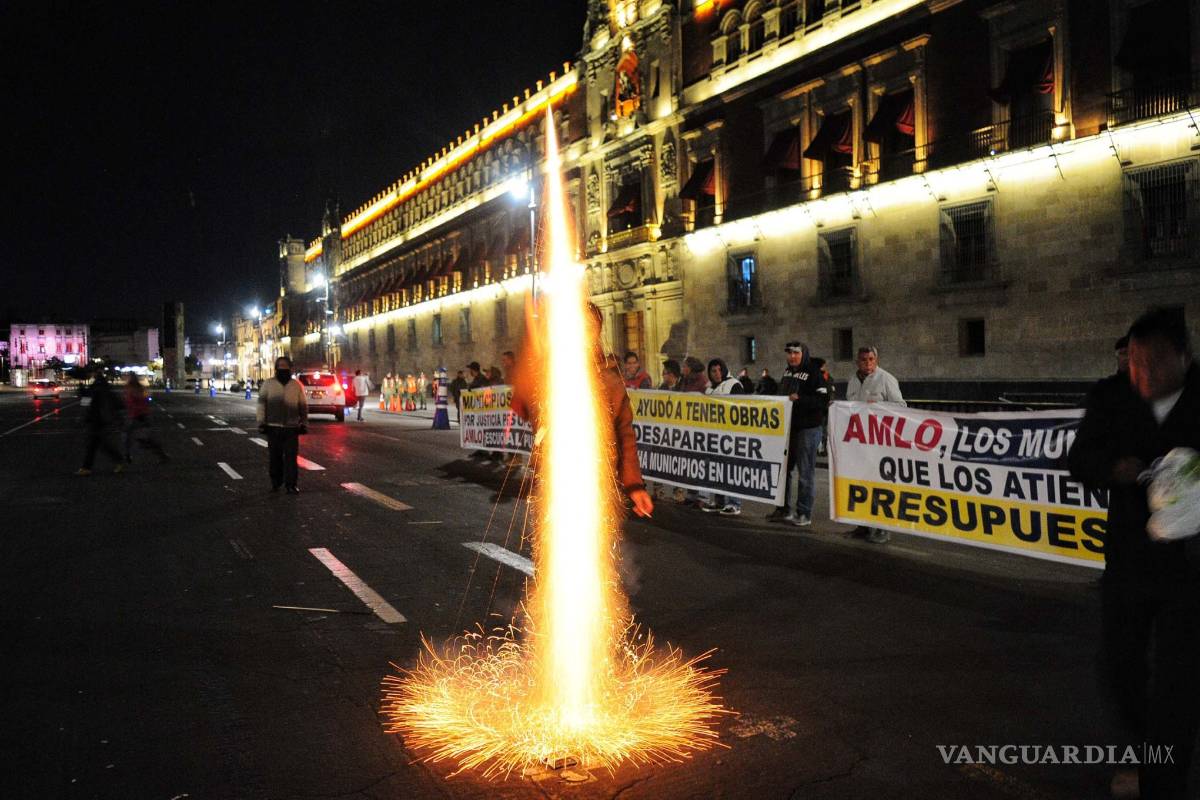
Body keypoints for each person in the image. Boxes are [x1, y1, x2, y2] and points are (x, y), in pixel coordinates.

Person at [1069, 309, 1200, 800]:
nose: (1143, 375)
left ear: (1184, 357)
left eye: (1156, 363)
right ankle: (1147, 750)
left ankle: (1163, 779)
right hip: (1129, 560)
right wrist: (1111, 467)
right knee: (1120, 668)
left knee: (1177, 681)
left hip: (1190, 569)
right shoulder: (1110, 396)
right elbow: (1079, 459)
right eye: (1136, 363)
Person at [511, 303, 654, 519]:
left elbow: (625, 435)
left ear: (597, 333)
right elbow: (522, 404)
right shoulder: (550, 373)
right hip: (556, 481)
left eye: (590, 327)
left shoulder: (610, 380)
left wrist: (634, 485)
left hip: (599, 483)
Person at [845, 346, 906, 543]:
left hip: (880, 443)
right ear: (857, 362)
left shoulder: (886, 379)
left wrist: (879, 407)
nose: (868, 363)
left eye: (871, 359)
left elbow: (901, 406)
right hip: (860, 442)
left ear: (876, 360)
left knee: (881, 486)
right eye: (864, 360)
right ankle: (863, 525)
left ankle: (883, 528)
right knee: (860, 484)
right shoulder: (853, 381)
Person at [770, 341, 833, 527]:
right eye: (789, 353)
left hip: (808, 428)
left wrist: (800, 399)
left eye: (796, 353)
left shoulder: (814, 372)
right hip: (788, 428)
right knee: (784, 471)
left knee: (805, 473)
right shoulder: (787, 372)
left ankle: (804, 513)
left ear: (803, 354)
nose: (792, 356)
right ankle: (783, 509)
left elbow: (823, 400)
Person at [700, 358, 745, 516]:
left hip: (731, 435)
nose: (717, 373)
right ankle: (719, 501)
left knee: (731, 469)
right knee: (717, 469)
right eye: (713, 371)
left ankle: (734, 503)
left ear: (725, 369)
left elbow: (741, 408)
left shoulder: (734, 385)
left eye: (720, 370)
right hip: (714, 434)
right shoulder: (709, 389)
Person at [257, 356, 308, 494]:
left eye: (286, 367)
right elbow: (261, 405)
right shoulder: (268, 384)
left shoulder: (296, 385)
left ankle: (291, 484)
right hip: (273, 426)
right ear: (276, 369)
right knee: (275, 457)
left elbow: (303, 406)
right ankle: (276, 482)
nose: (283, 369)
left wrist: (304, 423)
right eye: (281, 367)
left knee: (291, 458)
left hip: (292, 427)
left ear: (290, 368)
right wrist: (261, 422)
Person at [77, 372, 125, 475]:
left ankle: (87, 468)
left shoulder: (95, 390)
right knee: (97, 444)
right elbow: (119, 404)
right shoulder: (107, 390)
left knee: (95, 444)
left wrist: (81, 388)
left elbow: (86, 402)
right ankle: (87, 467)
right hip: (103, 419)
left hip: (97, 420)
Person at [122, 372, 168, 463]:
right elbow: (147, 398)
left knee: (129, 435)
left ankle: (127, 455)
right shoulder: (138, 388)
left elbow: (132, 401)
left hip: (137, 416)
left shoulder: (131, 389)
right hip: (142, 415)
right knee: (143, 438)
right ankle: (161, 455)